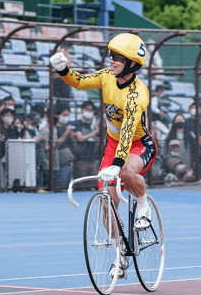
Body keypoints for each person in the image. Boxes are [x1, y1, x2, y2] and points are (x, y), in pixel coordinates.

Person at [50, 32, 157, 277]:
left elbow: (129, 132)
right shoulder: (107, 77)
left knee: (126, 171)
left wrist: (118, 163)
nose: (111, 60)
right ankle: (121, 254)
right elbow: (79, 81)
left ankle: (143, 205)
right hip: (112, 144)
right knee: (108, 202)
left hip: (139, 144)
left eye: (118, 57)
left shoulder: (136, 95)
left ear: (131, 64)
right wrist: (63, 69)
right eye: (111, 55)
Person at [72, 100, 99, 185]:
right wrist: (95, 132)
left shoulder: (95, 124)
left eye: (91, 110)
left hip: (92, 156)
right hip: (80, 157)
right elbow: (80, 138)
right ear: (82, 110)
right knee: (81, 182)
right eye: (87, 109)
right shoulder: (77, 123)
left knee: (92, 184)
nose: (89, 112)